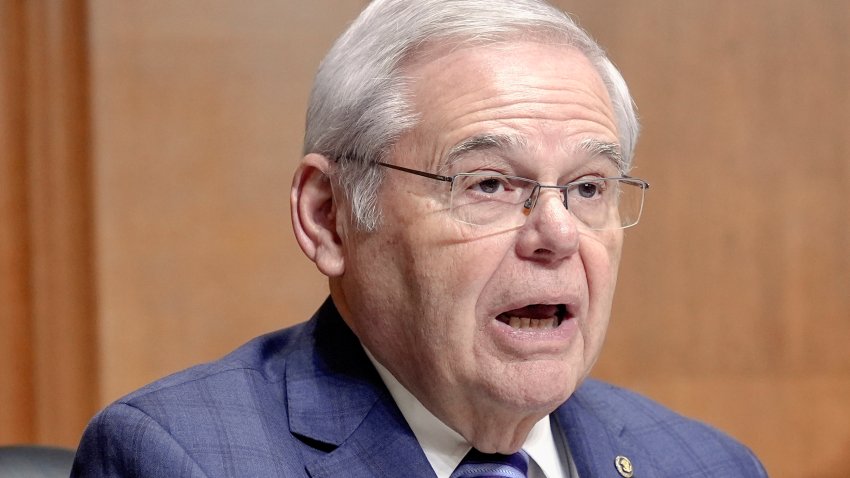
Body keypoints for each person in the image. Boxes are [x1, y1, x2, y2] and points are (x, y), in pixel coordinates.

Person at [72, 0, 768, 476]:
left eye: (588, 188)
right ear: (328, 215)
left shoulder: (705, 463)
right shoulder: (181, 457)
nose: (557, 233)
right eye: (490, 184)